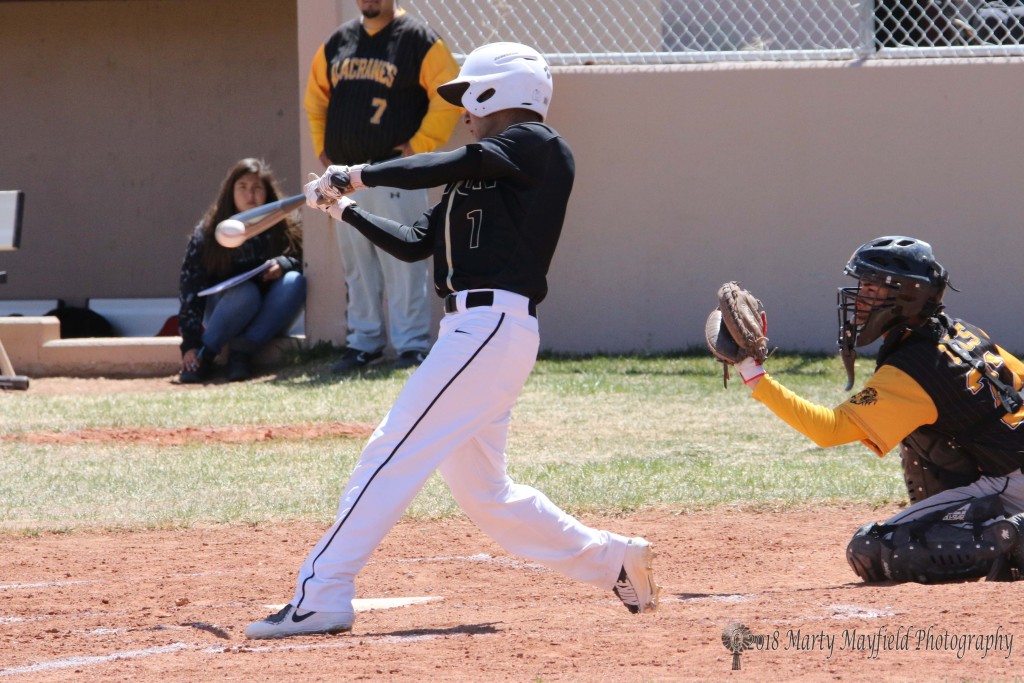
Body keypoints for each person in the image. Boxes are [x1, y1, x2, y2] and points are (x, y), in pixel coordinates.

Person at [245, 42, 659, 640]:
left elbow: (441, 163)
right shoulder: (479, 176)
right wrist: (343, 209)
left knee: (388, 452)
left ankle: (323, 593)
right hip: (478, 334)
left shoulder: (536, 147)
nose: (464, 107)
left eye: (470, 94)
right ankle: (613, 561)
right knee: (486, 494)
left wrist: (357, 172)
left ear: (502, 93)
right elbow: (418, 241)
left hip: (489, 330)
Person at [734, 235, 1024, 584]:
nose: (858, 299)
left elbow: (829, 429)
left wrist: (753, 375)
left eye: (871, 290)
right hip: (1012, 471)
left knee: (872, 549)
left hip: (1011, 482)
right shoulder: (965, 331)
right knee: (920, 441)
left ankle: (1014, 537)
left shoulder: (913, 367)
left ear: (905, 296)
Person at [305, 0, 461, 373]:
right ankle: (363, 343)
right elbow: (315, 101)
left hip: (394, 172)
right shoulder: (337, 42)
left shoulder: (419, 39)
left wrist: (417, 147)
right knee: (358, 265)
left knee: (402, 260)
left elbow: (448, 95)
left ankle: (411, 345)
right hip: (344, 176)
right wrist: (322, 149)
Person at [178, 158, 306, 383]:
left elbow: (306, 260)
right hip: (228, 307)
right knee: (246, 293)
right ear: (230, 192)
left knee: (294, 281)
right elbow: (190, 287)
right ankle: (204, 356)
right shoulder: (208, 231)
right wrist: (190, 343)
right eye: (243, 187)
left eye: (257, 188)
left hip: (268, 313)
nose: (251, 195)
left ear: (267, 192)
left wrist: (284, 264)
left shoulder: (285, 224)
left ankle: (241, 354)